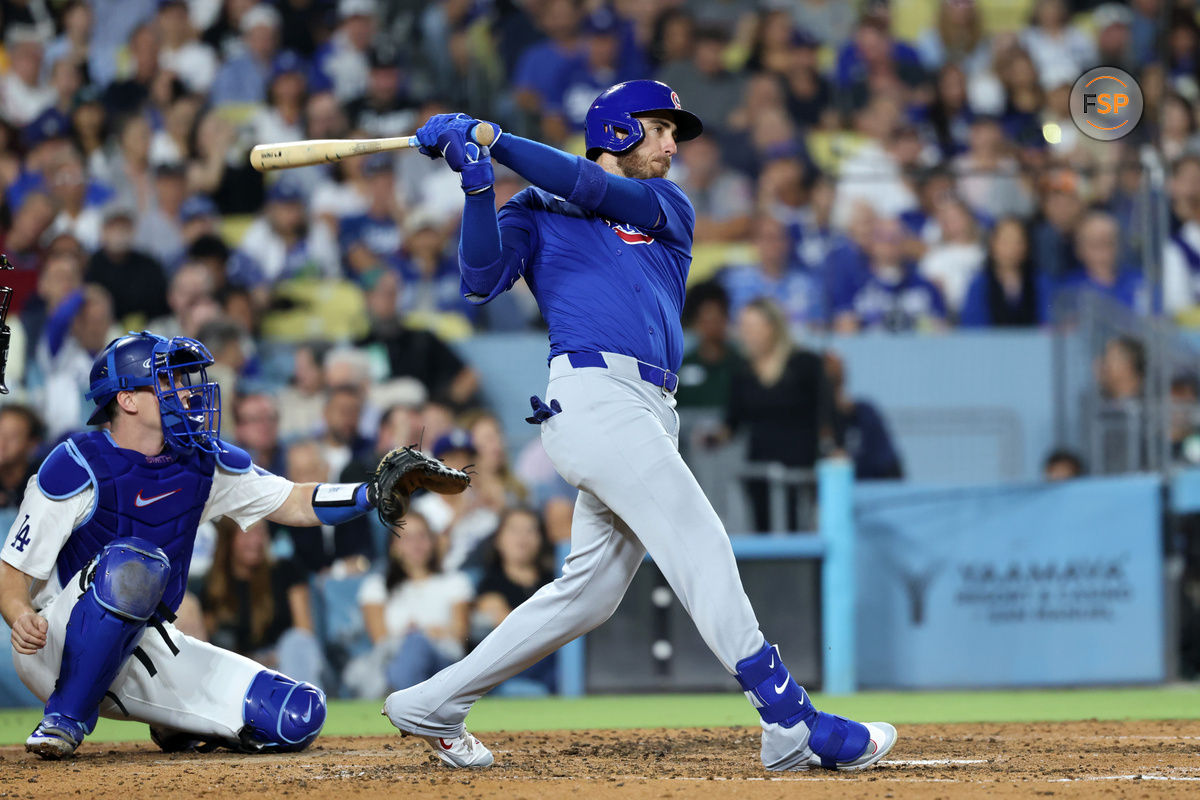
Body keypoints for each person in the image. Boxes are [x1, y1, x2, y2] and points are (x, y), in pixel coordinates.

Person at [383, 80, 896, 771]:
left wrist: (495, 141)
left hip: (649, 408)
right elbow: (479, 279)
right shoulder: (533, 207)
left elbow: (593, 189)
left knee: (588, 595)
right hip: (594, 398)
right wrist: (479, 187)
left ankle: (436, 701)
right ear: (618, 132)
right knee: (698, 537)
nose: (672, 143)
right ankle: (788, 718)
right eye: (659, 129)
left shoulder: (664, 203)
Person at [0, 330, 451, 758]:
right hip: (56, 646)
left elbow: (293, 501)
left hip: (141, 646)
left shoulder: (200, 461)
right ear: (126, 400)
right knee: (133, 563)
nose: (186, 390)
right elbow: (12, 573)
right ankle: (65, 718)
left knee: (297, 715)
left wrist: (370, 492)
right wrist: (20, 615)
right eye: (167, 380)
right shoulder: (75, 462)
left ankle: (176, 723)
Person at [725, 298, 832, 532]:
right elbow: (733, 422)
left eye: (752, 327)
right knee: (763, 530)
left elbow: (827, 413)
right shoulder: (742, 373)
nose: (746, 334)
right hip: (759, 471)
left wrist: (831, 450)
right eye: (743, 327)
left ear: (772, 327)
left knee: (801, 532)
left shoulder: (806, 364)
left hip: (801, 472)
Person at [348, 512, 473, 698]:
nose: (416, 544)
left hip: (443, 663)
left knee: (417, 642)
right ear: (394, 546)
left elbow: (460, 636)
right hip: (394, 658)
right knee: (413, 643)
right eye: (407, 538)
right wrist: (410, 635)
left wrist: (427, 635)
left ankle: (400, 701)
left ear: (432, 542)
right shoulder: (376, 586)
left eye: (422, 536)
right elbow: (380, 640)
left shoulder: (455, 582)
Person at [203, 519, 325, 688]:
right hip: (239, 673)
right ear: (229, 538)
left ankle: (304, 705)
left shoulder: (286, 571)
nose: (256, 540)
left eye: (260, 532)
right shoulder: (213, 587)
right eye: (247, 532)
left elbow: (304, 632)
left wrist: (270, 660)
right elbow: (208, 645)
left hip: (284, 666)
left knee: (296, 642)